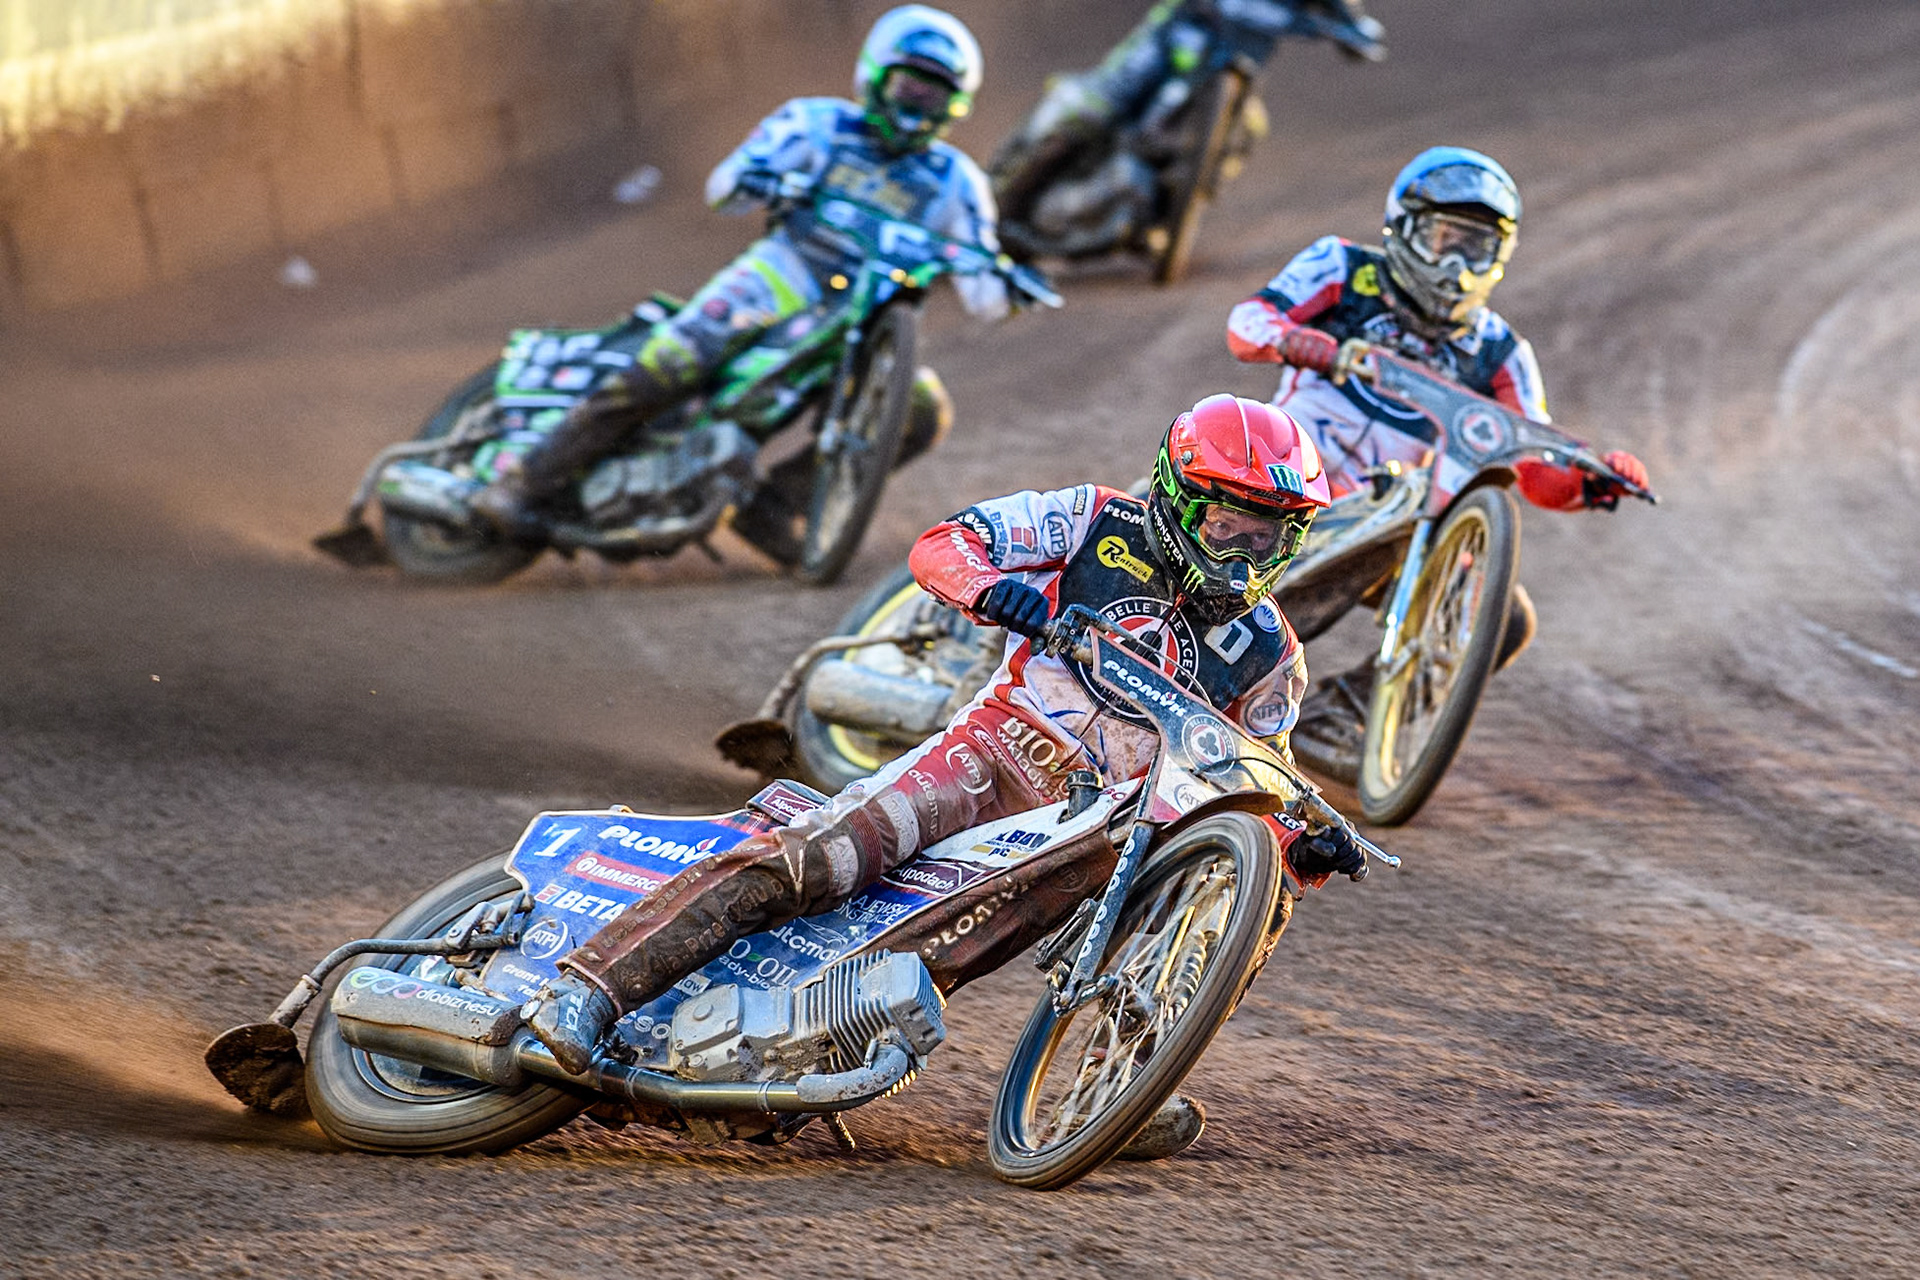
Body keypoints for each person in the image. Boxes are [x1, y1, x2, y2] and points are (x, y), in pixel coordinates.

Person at [518, 394, 1366, 1154]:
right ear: (1178, 497)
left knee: (937, 961)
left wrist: (1305, 843)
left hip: (1099, 833)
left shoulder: (1271, 655)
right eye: (1230, 525)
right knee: (820, 859)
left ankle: (1122, 1084)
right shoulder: (1093, 519)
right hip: (994, 754)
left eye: (1271, 533)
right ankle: (590, 990)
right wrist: (1000, 594)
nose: (1246, 552)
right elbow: (947, 543)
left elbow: (1257, 773)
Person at [470, 6, 1006, 561]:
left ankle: (773, 506)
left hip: (862, 323)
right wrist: (764, 177)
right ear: (875, 78)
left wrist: (1000, 280)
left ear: (955, 107)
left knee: (921, 408)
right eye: (909, 88)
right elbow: (725, 187)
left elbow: (986, 291)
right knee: (676, 360)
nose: (917, 109)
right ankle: (525, 480)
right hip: (780, 276)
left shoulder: (957, 182)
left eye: (934, 98)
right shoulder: (816, 124)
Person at [1225, 146, 1650, 706]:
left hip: (1391, 516)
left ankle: (1353, 718)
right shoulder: (1344, 268)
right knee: (1179, 498)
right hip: (1287, 477)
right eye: (1444, 241)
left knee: (1504, 617)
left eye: (1478, 251)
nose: (1457, 269)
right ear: (1402, 229)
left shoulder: (1501, 352)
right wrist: (1304, 343)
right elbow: (1248, 322)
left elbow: (1532, 466)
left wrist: (1590, 482)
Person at [990, 0, 1382, 246]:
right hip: (1172, 39)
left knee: (1248, 132)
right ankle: (994, 205)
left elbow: (1349, 19)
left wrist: (1355, 32)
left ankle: (1171, 206)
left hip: (1233, 75)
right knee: (1093, 107)